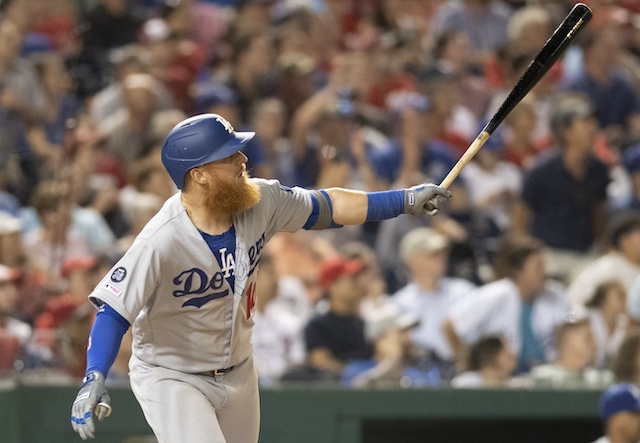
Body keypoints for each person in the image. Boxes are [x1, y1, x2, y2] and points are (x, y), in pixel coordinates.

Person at [69, 113, 452, 442]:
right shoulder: (160, 240)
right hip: (173, 375)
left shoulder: (259, 200)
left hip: (238, 370)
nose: (242, 159)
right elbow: (114, 311)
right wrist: (94, 376)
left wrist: (402, 200)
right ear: (199, 174)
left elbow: (328, 206)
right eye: (228, 156)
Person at [443, 234, 571, 374]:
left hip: (546, 373)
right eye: (537, 268)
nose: (544, 273)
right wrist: (467, 367)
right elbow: (449, 325)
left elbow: (572, 331)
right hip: (505, 376)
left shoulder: (555, 294)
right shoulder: (496, 294)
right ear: (519, 272)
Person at [391, 227, 476, 380]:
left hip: (460, 369)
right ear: (412, 260)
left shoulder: (464, 292)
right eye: (433, 255)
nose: (442, 259)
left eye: (443, 253)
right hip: (417, 373)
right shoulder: (399, 302)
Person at [450, 334, 520, 388]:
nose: (512, 354)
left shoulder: (515, 387)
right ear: (490, 355)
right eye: (506, 350)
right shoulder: (464, 384)